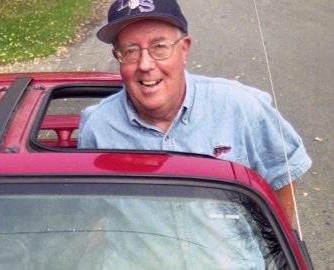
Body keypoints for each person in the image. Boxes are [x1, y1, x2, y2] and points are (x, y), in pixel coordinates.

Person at [78, 0, 312, 268]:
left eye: (159, 47)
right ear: (118, 58)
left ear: (184, 49)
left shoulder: (239, 105)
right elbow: (90, 208)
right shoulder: (97, 126)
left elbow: (284, 173)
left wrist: (272, 247)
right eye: (130, 51)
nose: (145, 64)